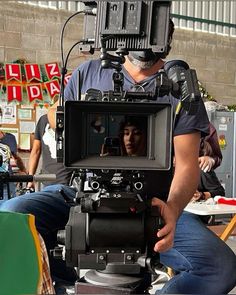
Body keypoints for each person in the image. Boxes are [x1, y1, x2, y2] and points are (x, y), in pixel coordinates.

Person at [1, 19, 236, 295]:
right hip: (81, 195)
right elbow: (53, 115)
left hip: (153, 205)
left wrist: (172, 210)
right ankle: (65, 286)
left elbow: (187, 165)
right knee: (11, 217)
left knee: (220, 267)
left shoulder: (180, 89)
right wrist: (83, 123)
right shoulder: (88, 72)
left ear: (167, 39)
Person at [26, 114, 72, 190]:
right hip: (47, 180)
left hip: (70, 181)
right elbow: (36, 150)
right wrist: (30, 178)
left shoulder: (76, 116)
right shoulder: (44, 119)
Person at [0, 129, 27, 199]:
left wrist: (23, 170)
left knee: (8, 207)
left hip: (7, 181)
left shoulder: (10, 138)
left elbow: (16, 157)